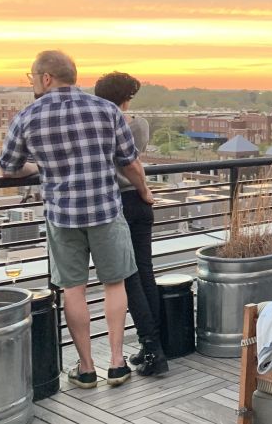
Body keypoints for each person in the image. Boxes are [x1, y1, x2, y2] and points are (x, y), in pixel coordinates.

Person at [0, 50, 153, 388]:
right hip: (106, 210)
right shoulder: (106, 110)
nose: (33, 82)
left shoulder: (27, 117)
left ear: (46, 78)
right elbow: (129, 162)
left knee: (73, 290)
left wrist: (38, 167)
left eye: (32, 77)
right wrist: (144, 190)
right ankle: (117, 363)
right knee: (115, 284)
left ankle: (85, 368)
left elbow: (8, 167)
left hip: (63, 215)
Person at [94, 72, 168, 377]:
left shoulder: (98, 126)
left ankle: (152, 349)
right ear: (126, 98)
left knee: (129, 278)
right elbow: (133, 160)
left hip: (116, 203)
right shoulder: (138, 125)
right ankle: (155, 345)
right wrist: (144, 189)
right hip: (140, 200)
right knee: (145, 273)